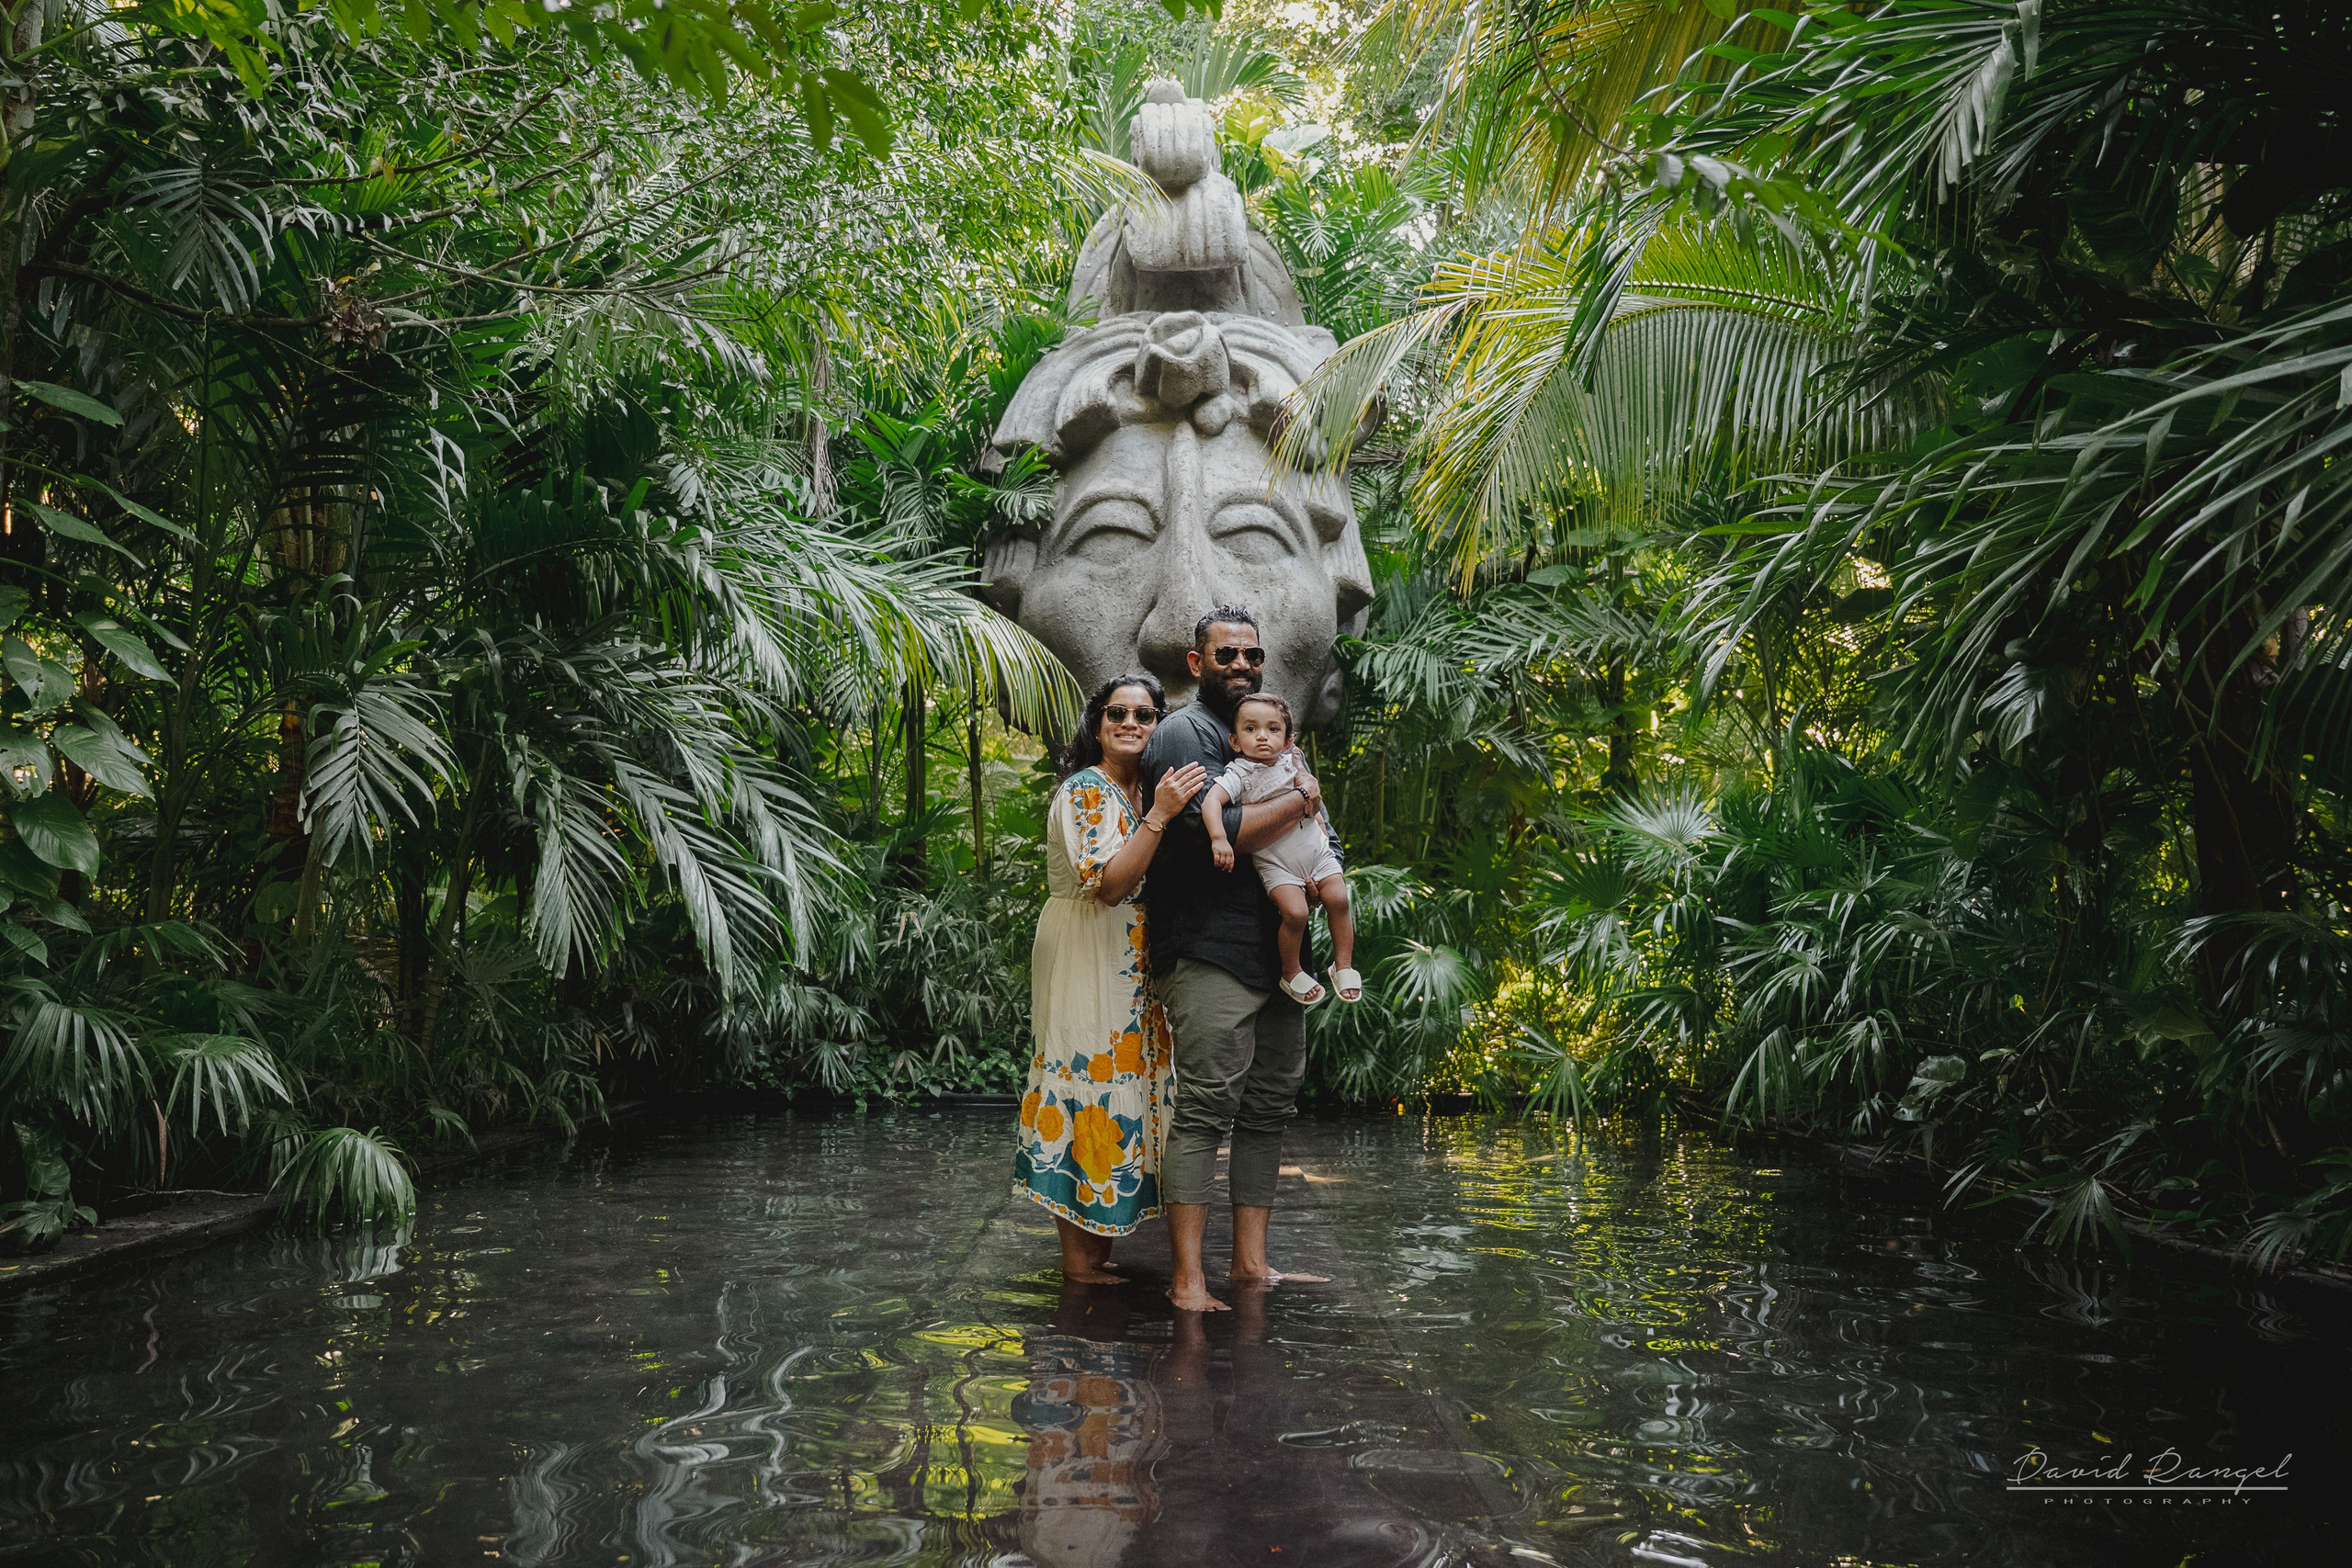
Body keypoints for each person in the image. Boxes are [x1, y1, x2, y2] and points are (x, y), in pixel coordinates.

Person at [1139, 607, 1333, 1313]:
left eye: (1252, 654)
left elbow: (1321, 831)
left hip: (1282, 955)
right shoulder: (1184, 734)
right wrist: (1298, 799)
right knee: (1204, 1110)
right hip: (1209, 949)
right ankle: (1188, 1277)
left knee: (1268, 1109)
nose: (1243, 665)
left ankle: (1252, 1265)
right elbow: (1215, 837)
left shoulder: (1274, 736)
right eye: (1227, 655)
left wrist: (1321, 857)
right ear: (1196, 663)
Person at [1013, 674, 1208, 1283]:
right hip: (1084, 951)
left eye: (1145, 714)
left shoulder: (1145, 789)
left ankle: (1095, 1254)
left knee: (1124, 1080)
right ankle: (1078, 1263)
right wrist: (1160, 816)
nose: (1131, 722)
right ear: (1096, 724)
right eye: (1117, 712)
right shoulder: (1087, 792)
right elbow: (1109, 884)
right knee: (1084, 1081)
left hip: (1129, 959)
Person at [1201, 692, 1362, 1007]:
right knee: (1295, 912)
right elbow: (1211, 802)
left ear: (1288, 741)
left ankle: (1343, 964)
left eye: (1273, 729)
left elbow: (1313, 802)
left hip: (1316, 852)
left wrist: (1320, 823)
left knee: (1339, 899)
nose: (1262, 736)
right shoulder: (1239, 774)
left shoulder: (1293, 764)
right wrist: (1219, 838)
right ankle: (1291, 971)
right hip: (1277, 863)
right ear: (1234, 740)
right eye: (1250, 729)